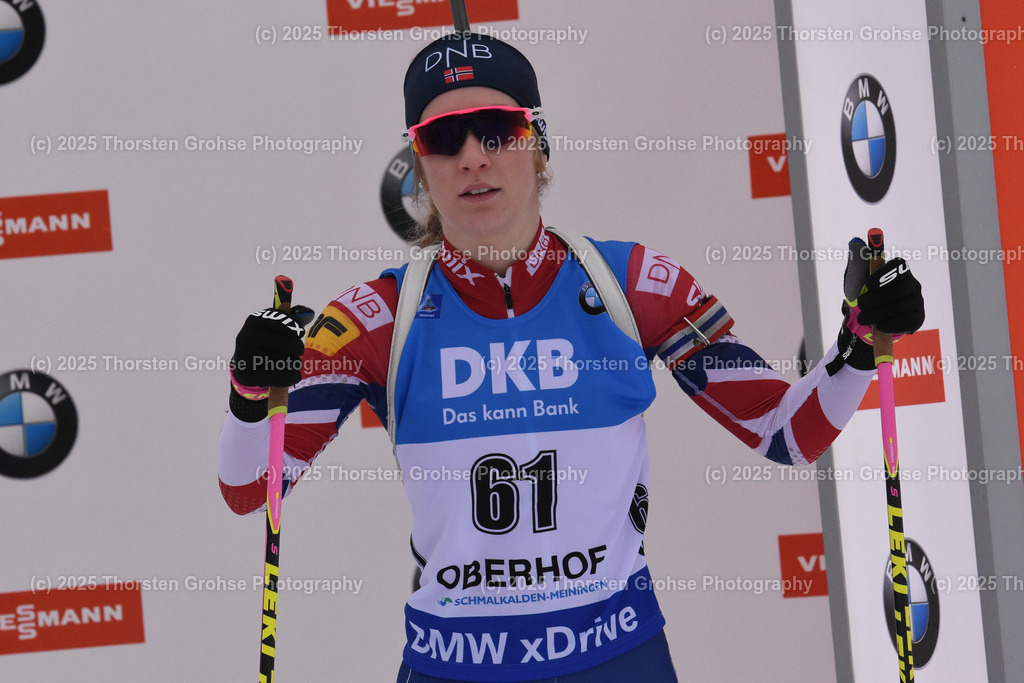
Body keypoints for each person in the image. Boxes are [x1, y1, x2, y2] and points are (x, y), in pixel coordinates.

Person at [218, 33, 925, 682]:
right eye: (443, 137)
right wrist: (252, 391)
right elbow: (252, 486)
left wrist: (860, 346)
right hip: (457, 663)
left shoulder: (630, 284)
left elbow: (785, 431)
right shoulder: (378, 316)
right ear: (419, 164)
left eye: (498, 130)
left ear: (539, 143)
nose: (472, 156)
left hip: (617, 655)